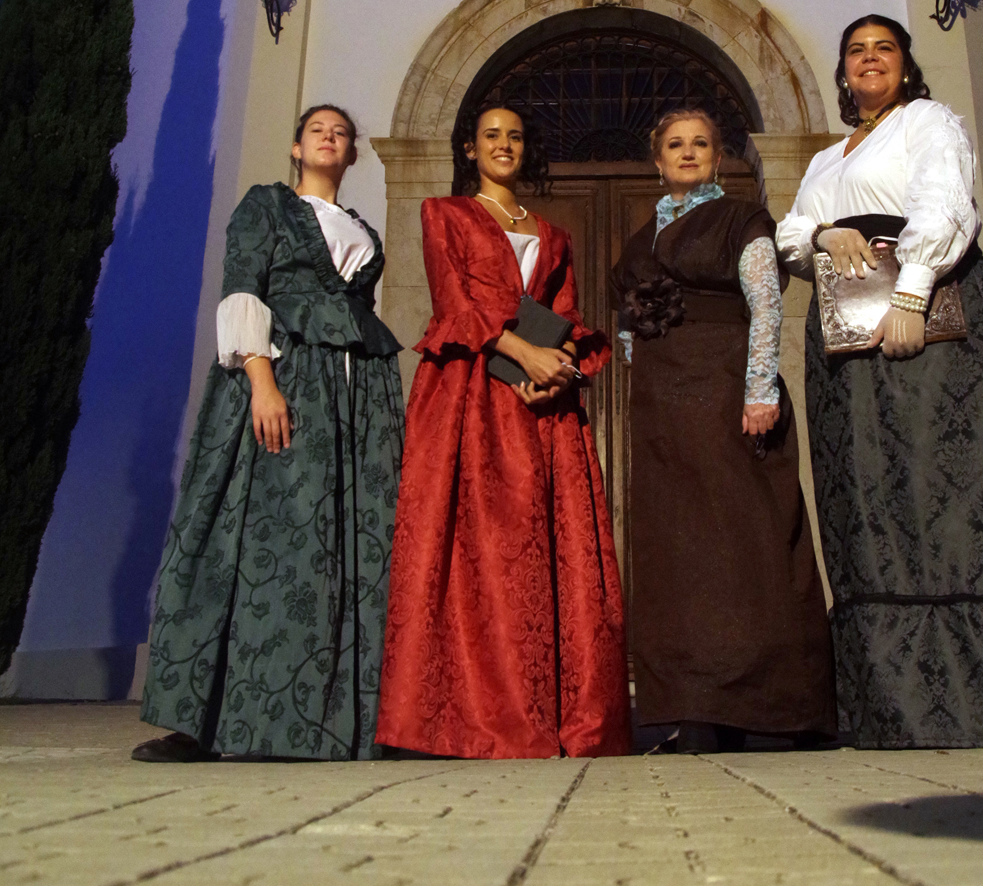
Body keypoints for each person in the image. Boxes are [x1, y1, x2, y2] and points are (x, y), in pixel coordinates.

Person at [776, 15, 983, 749]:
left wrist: (911, 293)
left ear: (904, 64)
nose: (869, 59)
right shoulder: (827, 158)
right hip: (847, 335)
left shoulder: (928, 121)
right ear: (843, 71)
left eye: (884, 48)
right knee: (876, 493)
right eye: (857, 51)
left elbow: (945, 201)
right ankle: (896, 702)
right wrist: (824, 233)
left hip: (934, 314)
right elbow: (791, 232)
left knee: (954, 488)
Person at [135, 106, 404, 761]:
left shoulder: (363, 231)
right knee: (259, 535)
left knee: (347, 542)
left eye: (341, 133)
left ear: (353, 154)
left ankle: (337, 722)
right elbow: (243, 290)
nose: (330, 138)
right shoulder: (267, 206)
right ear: (295, 147)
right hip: (283, 376)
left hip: (355, 395)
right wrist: (262, 383)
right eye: (318, 130)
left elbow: (354, 315)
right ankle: (213, 720)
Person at [376, 104, 630, 759]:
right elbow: (454, 302)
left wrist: (558, 368)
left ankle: (554, 712)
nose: (503, 145)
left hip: (540, 402)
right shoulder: (444, 214)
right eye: (491, 135)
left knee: (541, 543)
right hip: (466, 394)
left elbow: (566, 312)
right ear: (470, 149)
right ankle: (457, 718)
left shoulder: (553, 234)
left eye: (514, 136)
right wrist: (524, 353)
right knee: (471, 543)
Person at [610, 108, 836, 753]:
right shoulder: (640, 239)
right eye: (675, 145)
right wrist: (638, 365)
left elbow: (766, 303)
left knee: (745, 539)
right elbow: (629, 324)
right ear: (658, 160)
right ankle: (694, 708)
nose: (687, 153)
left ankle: (778, 707)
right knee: (677, 551)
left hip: (727, 392)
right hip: (663, 409)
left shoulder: (742, 220)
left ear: (717, 157)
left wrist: (760, 389)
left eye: (700, 144)